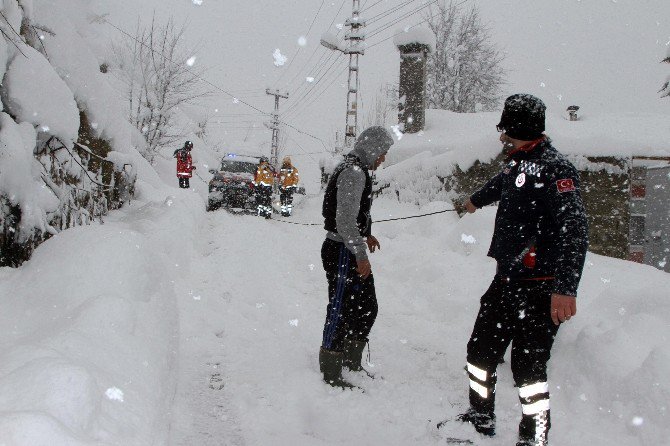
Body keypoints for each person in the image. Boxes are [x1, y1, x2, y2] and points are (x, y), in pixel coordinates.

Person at [451, 94, 589, 445]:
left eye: (506, 130)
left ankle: (534, 437)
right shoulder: (518, 162)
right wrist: (472, 202)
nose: (501, 137)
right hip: (507, 280)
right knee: (479, 352)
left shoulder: (556, 169)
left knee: (528, 371)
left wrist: (566, 288)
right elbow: (502, 184)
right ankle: (480, 416)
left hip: (541, 289)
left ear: (523, 129)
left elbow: (575, 230)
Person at [319, 126, 394, 388]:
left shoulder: (358, 170)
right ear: (371, 148)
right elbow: (344, 221)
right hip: (341, 251)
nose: (383, 158)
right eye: (383, 152)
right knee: (340, 310)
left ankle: (351, 361)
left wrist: (367, 233)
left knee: (366, 307)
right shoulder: (352, 173)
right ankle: (330, 370)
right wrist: (361, 254)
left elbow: (356, 214)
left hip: (348, 247)